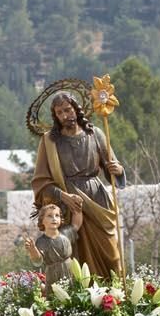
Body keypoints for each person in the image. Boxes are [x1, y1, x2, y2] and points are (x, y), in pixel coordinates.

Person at [31, 90, 125, 278]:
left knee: (112, 254)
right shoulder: (49, 141)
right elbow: (41, 181)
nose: (65, 115)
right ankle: (82, 301)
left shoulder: (95, 134)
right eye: (60, 113)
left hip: (98, 199)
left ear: (77, 109)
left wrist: (118, 170)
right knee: (75, 256)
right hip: (69, 205)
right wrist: (64, 196)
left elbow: (112, 167)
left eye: (68, 109)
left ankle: (113, 296)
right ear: (55, 116)